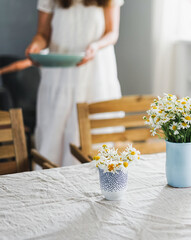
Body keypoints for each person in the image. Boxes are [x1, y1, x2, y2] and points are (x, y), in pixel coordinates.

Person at [26, 0, 124, 166]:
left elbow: (112, 32)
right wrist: (35, 46)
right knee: (53, 135)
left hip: (95, 73)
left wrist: (95, 46)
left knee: (96, 136)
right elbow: (43, 34)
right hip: (58, 76)